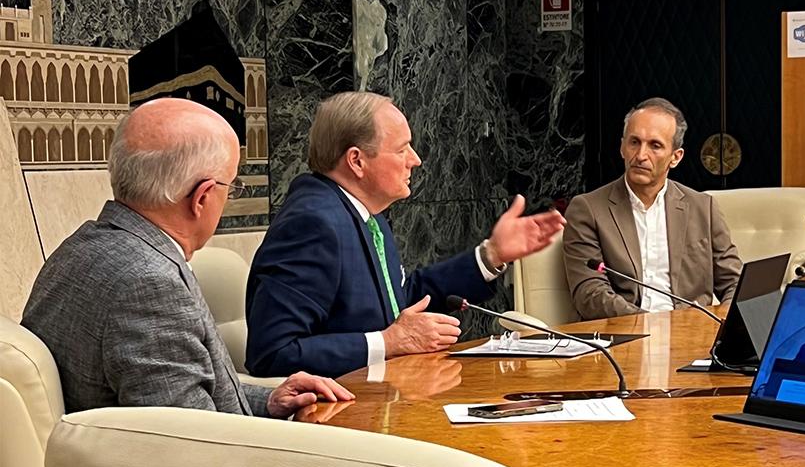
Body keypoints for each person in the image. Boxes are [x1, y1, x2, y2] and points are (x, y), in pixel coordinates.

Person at [21, 99, 354, 418]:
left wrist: (268, 400)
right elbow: (190, 445)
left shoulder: (81, 246)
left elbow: (187, 396)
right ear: (202, 197)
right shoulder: (149, 285)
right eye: (232, 186)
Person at [245, 92, 565, 378]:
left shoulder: (363, 213)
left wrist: (491, 255)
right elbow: (273, 354)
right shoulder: (312, 224)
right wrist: (387, 342)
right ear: (357, 160)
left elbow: (397, 301)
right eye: (401, 150)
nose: (416, 160)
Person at [562, 97, 742, 320]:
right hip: (624, 336)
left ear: (675, 158)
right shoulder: (587, 209)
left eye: (655, 145)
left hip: (693, 334)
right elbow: (589, 293)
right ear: (622, 147)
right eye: (634, 142)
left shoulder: (703, 208)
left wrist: (723, 322)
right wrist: (654, 325)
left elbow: (735, 282)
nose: (640, 156)